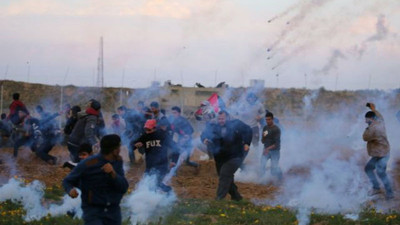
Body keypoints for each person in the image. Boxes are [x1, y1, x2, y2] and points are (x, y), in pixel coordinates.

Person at [62, 134, 129, 225]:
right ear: (114, 150)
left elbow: (123, 187)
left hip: (113, 211)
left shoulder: (117, 162)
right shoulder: (88, 163)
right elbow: (67, 181)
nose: (120, 149)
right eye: (118, 147)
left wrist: (113, 174)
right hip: (93, 211)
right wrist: (70, 190)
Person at [201, 110, 252, 200]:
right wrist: (204, 139)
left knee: (225, 174)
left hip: (235, 155)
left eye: (223, 119)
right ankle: (236, 197)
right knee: (225, 177)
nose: (221, 121)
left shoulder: (236, 124)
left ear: (227, 118)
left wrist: (247, 143)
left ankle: (219, 198)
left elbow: (249, 130)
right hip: (220, 157)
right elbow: (204, 134)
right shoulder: (213, 126)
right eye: (219, 119)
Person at [133, 119, 175, 192]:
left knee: (155, 183)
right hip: (149, 165)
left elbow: (175, 147)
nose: (147, 131)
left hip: (161, 165)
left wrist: (174, 161)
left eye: (149, 129)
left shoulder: (162, 135)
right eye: (145, 129)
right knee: (148, 183)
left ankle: (167, 192)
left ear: (155, 128)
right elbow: (134, 145)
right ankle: (160, 195)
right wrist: (136, 145)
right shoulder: (145, 136)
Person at [363, 103, 393, 200]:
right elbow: (380, 116)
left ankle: (390, 193)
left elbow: (365, 137)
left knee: (380, 172)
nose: (365, 121)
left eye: (366, 119)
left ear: (371, 119)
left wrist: (367, 128)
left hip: (382, 155)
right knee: (368, 168)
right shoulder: (380, 122)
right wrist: (374, 109)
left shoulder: (373, 129)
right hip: (380, 153)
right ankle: (377, 188)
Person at [260, 112, 282, 182]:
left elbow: (277, 144)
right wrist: (263, 136)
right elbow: (263, 141)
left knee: (274, 170)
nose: (267, 121)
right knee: (262, 165)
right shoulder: (265, 128)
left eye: (269, 119)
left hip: (274, 151)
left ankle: (280, 177)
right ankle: (261, 180)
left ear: (272, 119)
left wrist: (267, 149)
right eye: (266, 120)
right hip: (266, 150)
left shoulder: (276, 129)